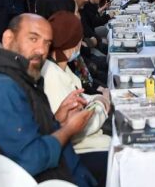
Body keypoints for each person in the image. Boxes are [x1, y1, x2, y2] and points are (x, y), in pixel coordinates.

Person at [0, 14, 96, 186]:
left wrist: (58, 119)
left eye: (47, 43)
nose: (42, 50)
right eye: (33, 38)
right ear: (8, 38)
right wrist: (68, 129)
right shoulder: (1, 87)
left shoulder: (15, 75)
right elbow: (32, 159)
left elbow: (24, 133)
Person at [42, 11, 111, 185]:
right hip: (79, 151)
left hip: (86, 142)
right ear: (72, 44)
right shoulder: (52, 75)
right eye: (79, 40)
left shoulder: (61, 67)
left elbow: (79, 95)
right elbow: (76, 128)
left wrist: (96, 98)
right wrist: (102, 106)